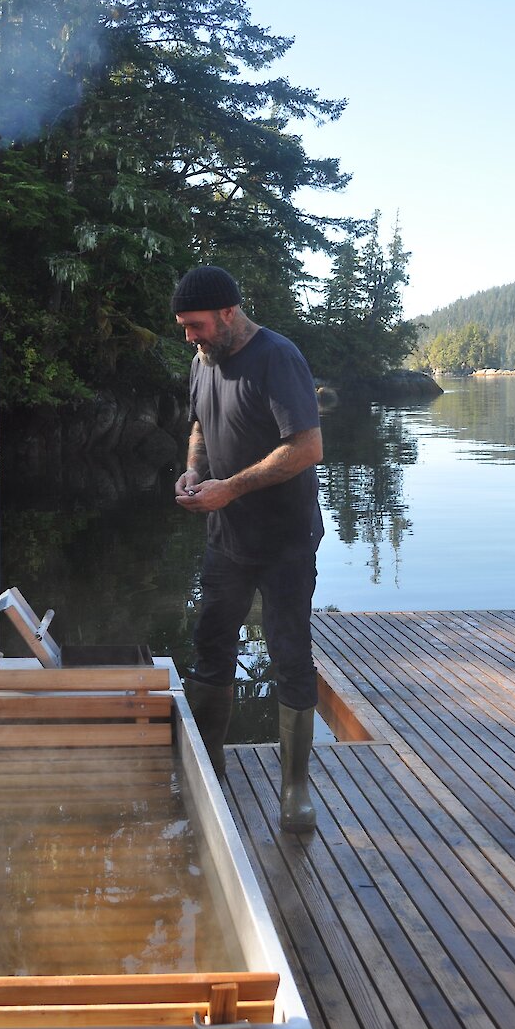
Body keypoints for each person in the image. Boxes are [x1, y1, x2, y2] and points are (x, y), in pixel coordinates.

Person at [172, 265, 324, 833]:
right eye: (185, 327)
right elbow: (199, 428)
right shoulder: (200, 362)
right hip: (226, 541)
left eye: (196, 325)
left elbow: (307, 447)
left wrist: (229, 487)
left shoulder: (277, 357)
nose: (190, 336)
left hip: (285, 542)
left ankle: (294, 791)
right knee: (210, 648)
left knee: (289, 654)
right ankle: (209, 773)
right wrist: (192, 475)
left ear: (229, 312)